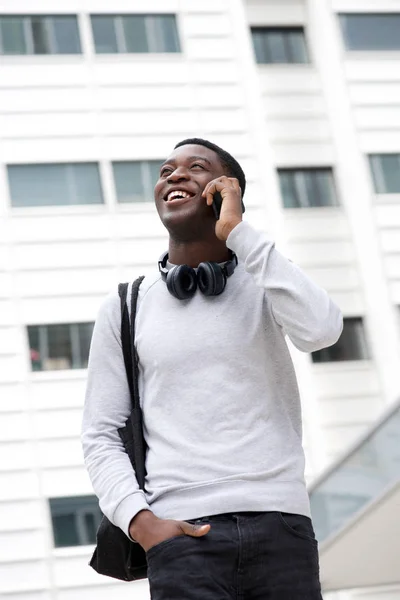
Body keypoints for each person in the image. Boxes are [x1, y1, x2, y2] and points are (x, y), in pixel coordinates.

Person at [82, 138, 343, 599]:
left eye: (195, 167)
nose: (174, 176)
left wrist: (238, 232)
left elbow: (321, 331)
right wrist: (141, 524)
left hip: (281, 528)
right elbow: (100, 434)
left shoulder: (267, 280)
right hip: (181, 539)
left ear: (226, 191)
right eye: (166, 171)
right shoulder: (126, 305)